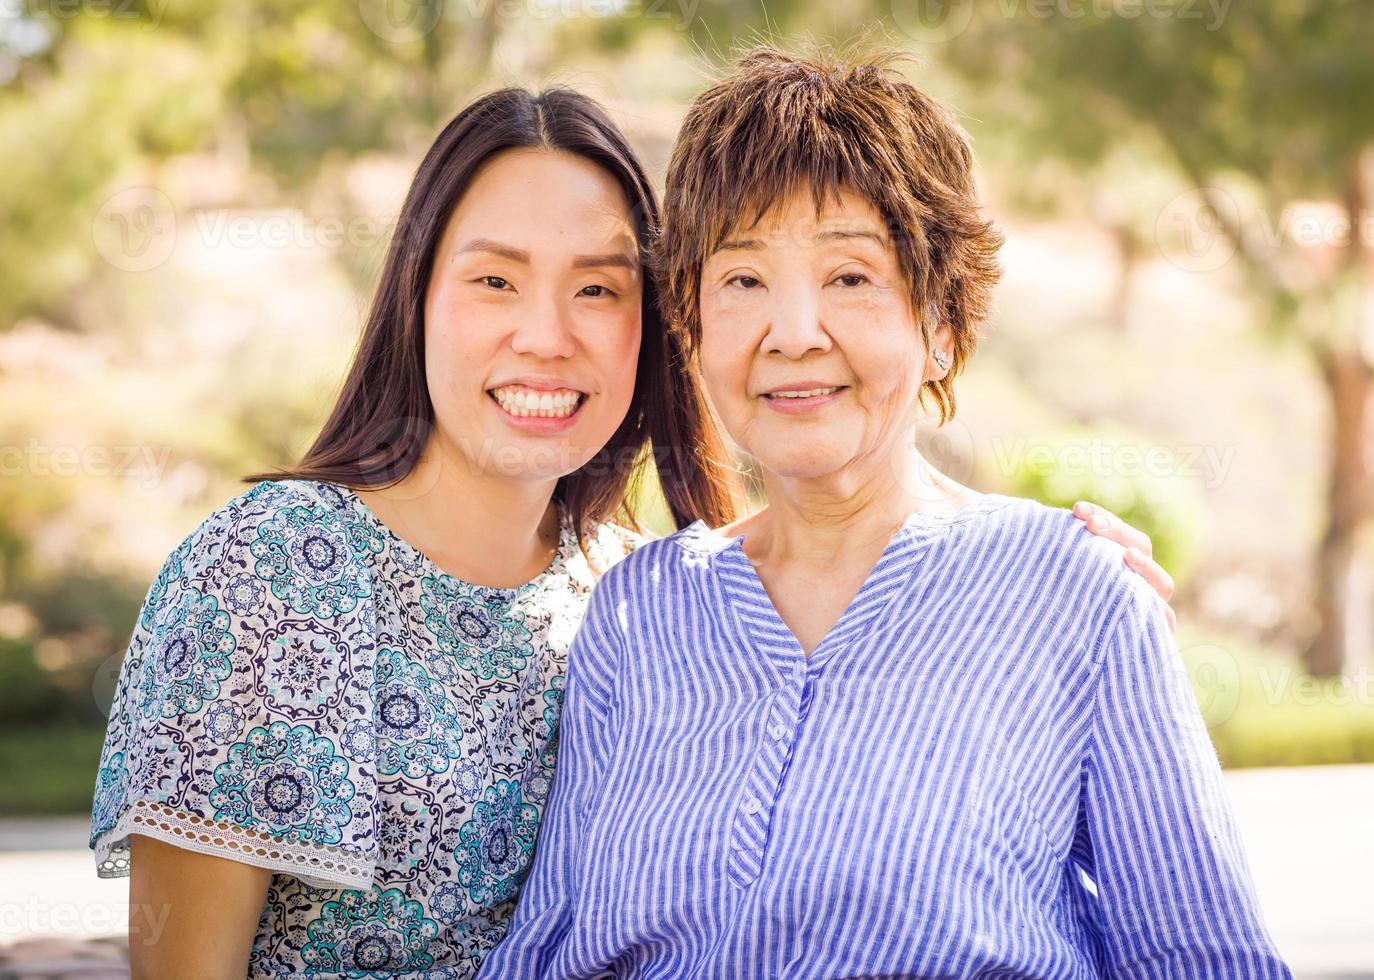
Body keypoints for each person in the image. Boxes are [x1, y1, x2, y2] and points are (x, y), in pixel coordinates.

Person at [91, 83, 1171, 977]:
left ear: (654, 324)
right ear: (416, 296)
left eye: (599, 289)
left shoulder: (631, 595)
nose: (545, 336)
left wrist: (1050, 569)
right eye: (494, 280)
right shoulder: (271, 567)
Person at [477, 48, 1291, 979]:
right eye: (742, 281)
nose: (792, 332)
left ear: (940, 324)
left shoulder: (1074, 595)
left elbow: (1204, 958)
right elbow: (542, 955)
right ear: (693, 327)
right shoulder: (636, 614)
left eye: (851, 277)